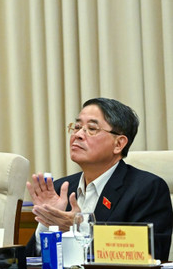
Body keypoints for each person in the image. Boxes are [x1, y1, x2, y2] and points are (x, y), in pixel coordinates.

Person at [26, 97, 172, 260]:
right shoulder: (61, 189)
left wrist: (79, 229)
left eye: (92, 128)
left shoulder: (147, 189)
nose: (78, 135)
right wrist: (48, 223)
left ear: (118, 144)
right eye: (77, 127)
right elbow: (32, 260)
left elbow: (149, 254)